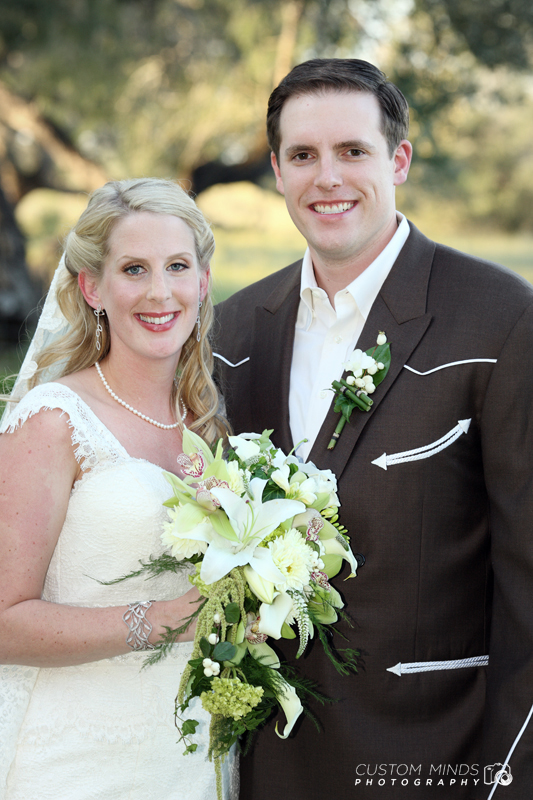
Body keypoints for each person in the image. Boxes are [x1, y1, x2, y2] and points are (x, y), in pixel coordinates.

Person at [213, 59, 533, 799]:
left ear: (398, 161)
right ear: (275, 171)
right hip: (271, 767)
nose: (326, 178)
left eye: (351, 152)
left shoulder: (500, 318)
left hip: (436, 762)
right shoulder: (231, 328)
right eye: (302, 156)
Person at [0, 178, 238, 800]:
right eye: (134, 269)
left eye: (177, 266)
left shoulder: (208, 426)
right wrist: (162, 620)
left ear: (203, 281)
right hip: (79, 766)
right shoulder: (55, 419)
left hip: (192, 760)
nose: (160, 292)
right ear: (92, 288)